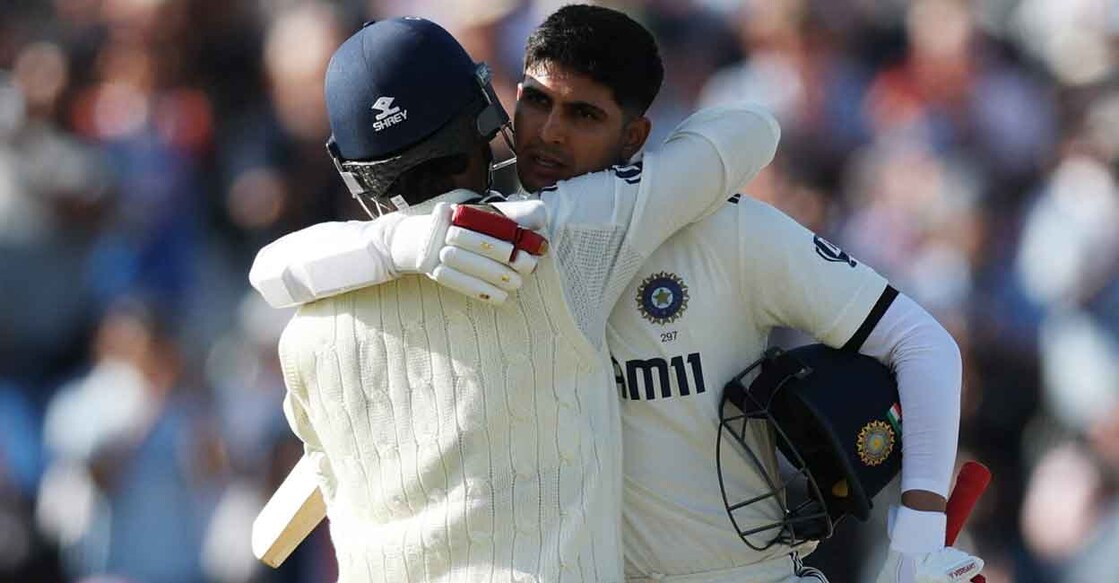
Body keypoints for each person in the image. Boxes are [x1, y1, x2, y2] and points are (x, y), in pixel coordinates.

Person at [253, 5, 983, 582]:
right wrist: (393, 245)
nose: (547, 134)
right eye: (536, 102)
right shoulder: (495, 244)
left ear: (635, 137)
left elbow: (921, 341)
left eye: (583, 115)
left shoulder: (701, 228)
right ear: (499, 105)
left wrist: (918, 535)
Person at [263, 14, 779, 582]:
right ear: (487, 113)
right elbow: (752, 129)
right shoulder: (554, 240)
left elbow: (270, 274)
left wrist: (388, 246)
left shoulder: (305, 336)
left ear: (355, 175)